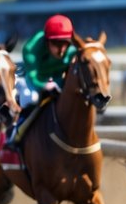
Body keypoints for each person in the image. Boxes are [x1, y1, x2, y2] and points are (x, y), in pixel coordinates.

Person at [9, 14, 76, 148]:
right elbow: (34, 77)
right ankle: (15, 133)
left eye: (65, 43)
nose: (62, 50)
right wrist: (45, 86)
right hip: (33, 79)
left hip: (57, 80)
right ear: (46, 41)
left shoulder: (73, 51)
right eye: (56, 44)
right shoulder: (31, 49)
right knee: (32, 98)